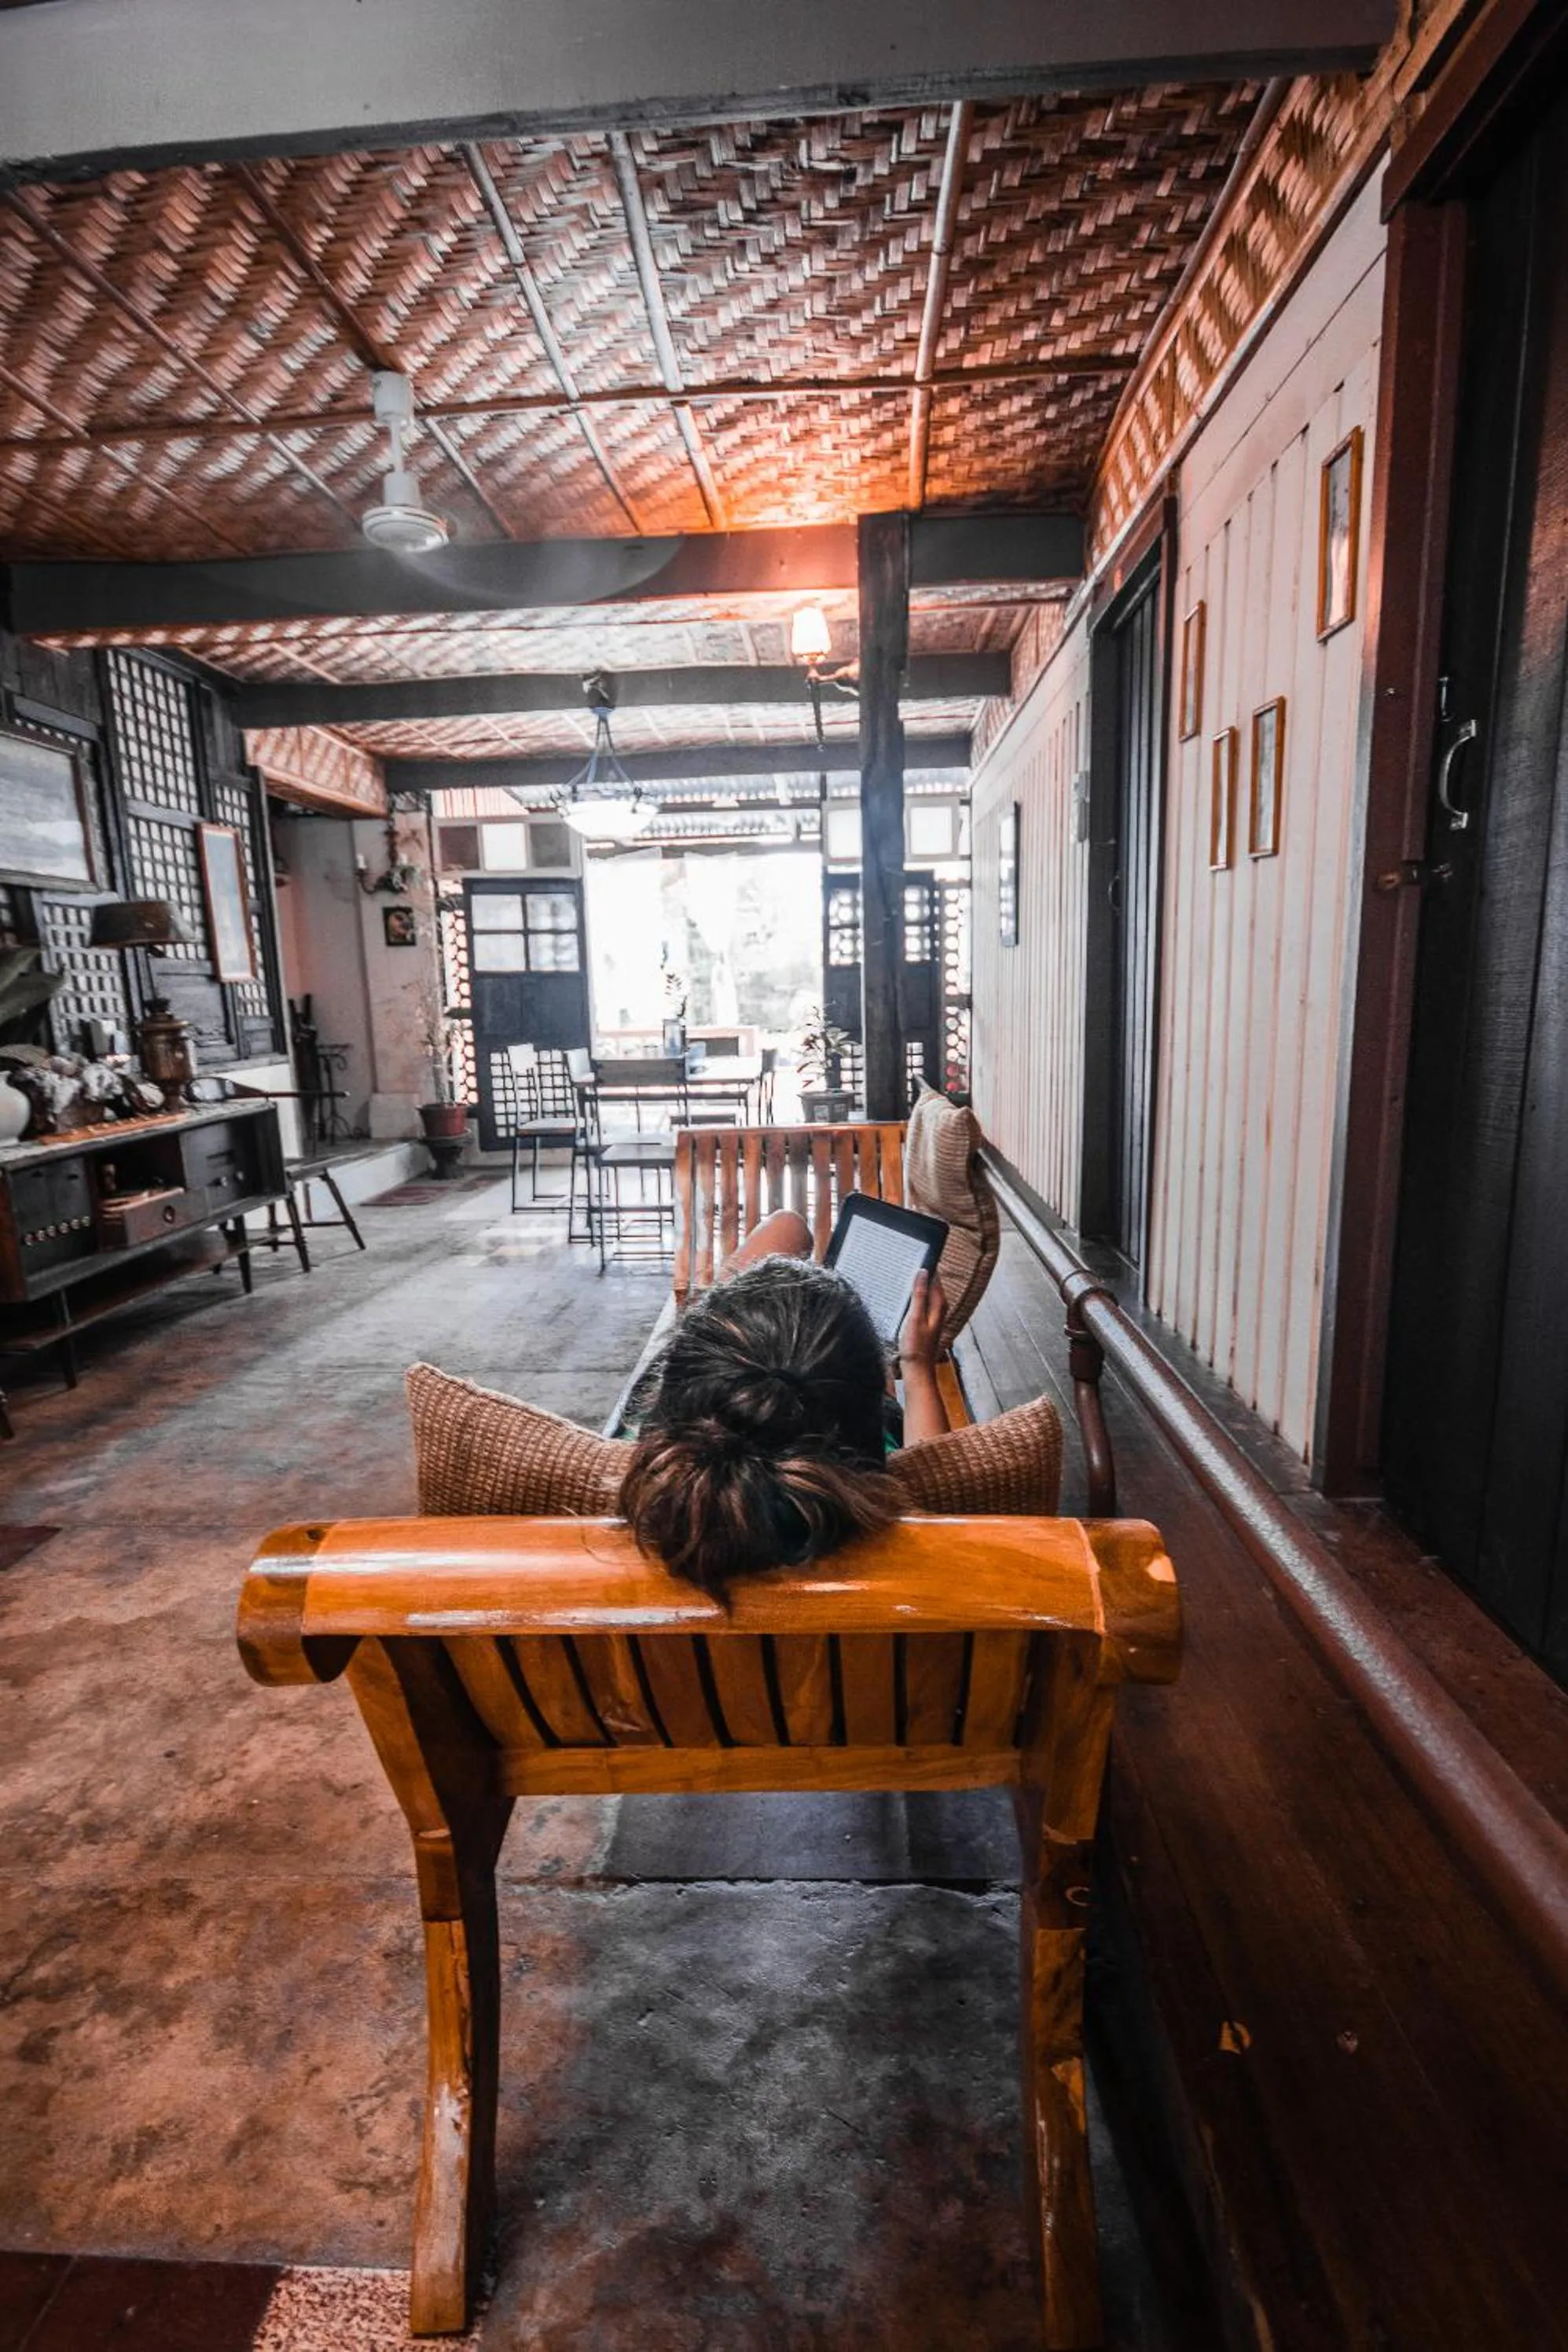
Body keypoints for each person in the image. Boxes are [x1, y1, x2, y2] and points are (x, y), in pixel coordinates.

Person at [619, 1208, 949, 1597]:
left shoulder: (656, 1479)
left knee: (787, 1228)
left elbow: (785, 1227)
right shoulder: (888, 1495)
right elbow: (940, 1477)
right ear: (867, 1423)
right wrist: (917, 1366)